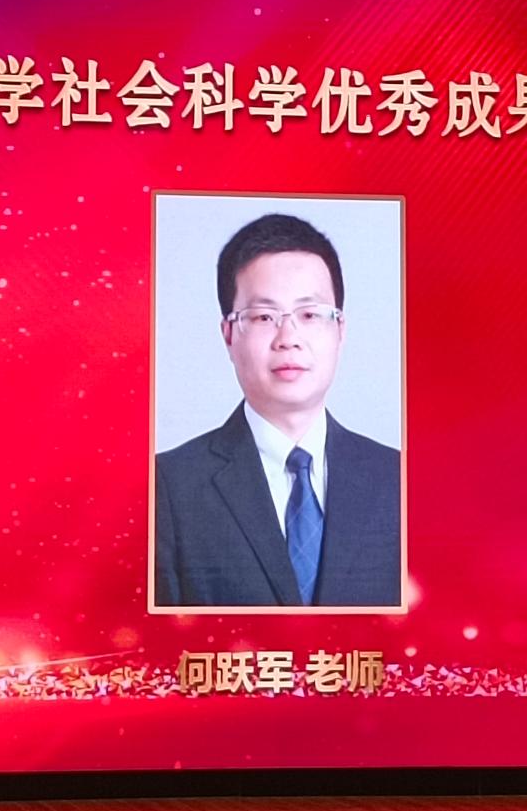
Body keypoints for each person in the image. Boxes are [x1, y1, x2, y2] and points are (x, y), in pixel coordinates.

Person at [155, 213, 401, 607]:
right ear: (228, 335)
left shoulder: (399, 480)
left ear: (340, 330)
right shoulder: (167, 487)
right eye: (263, 317)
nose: (288, 338)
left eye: (310, 314)